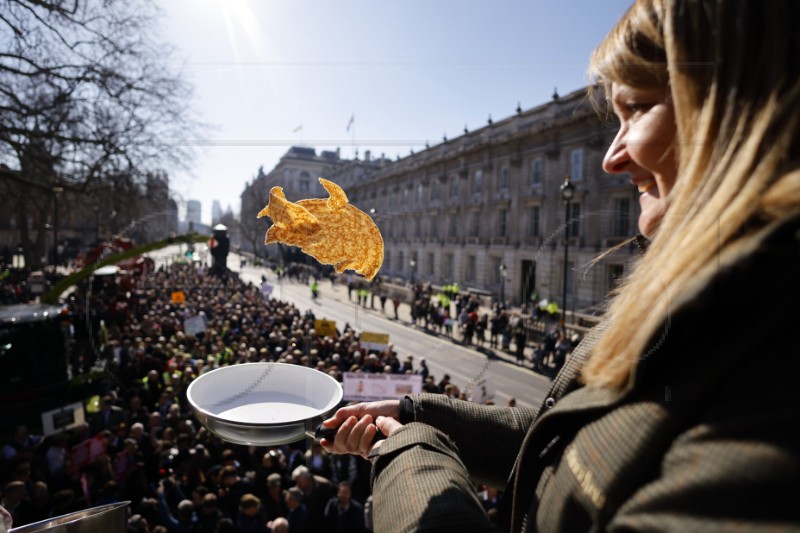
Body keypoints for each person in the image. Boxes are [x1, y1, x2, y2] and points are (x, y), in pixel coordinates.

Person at [321, 1, 800, 530]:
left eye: (637, 108)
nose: (611, 158)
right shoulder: (700, 294)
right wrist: (419, 415)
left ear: (748, 110)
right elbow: (570, 446)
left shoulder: (770, 375)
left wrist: (408, 456)